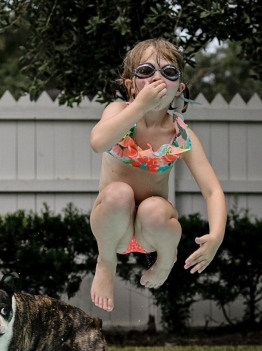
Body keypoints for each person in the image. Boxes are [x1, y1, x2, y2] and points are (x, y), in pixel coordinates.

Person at [89, 38, 227, 312]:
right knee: (119, 193)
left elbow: (213, 191)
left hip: (152, 230)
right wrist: (139, 107)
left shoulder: (181, 136)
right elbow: (98, 142)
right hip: (113, 229)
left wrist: (217, 236)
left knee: (154, 208)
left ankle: (165, 260)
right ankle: (106, 262)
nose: (157, 78)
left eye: (169, 72)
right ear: (130, 86)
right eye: (146, 71)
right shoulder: (118, 111)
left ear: (179, 89)